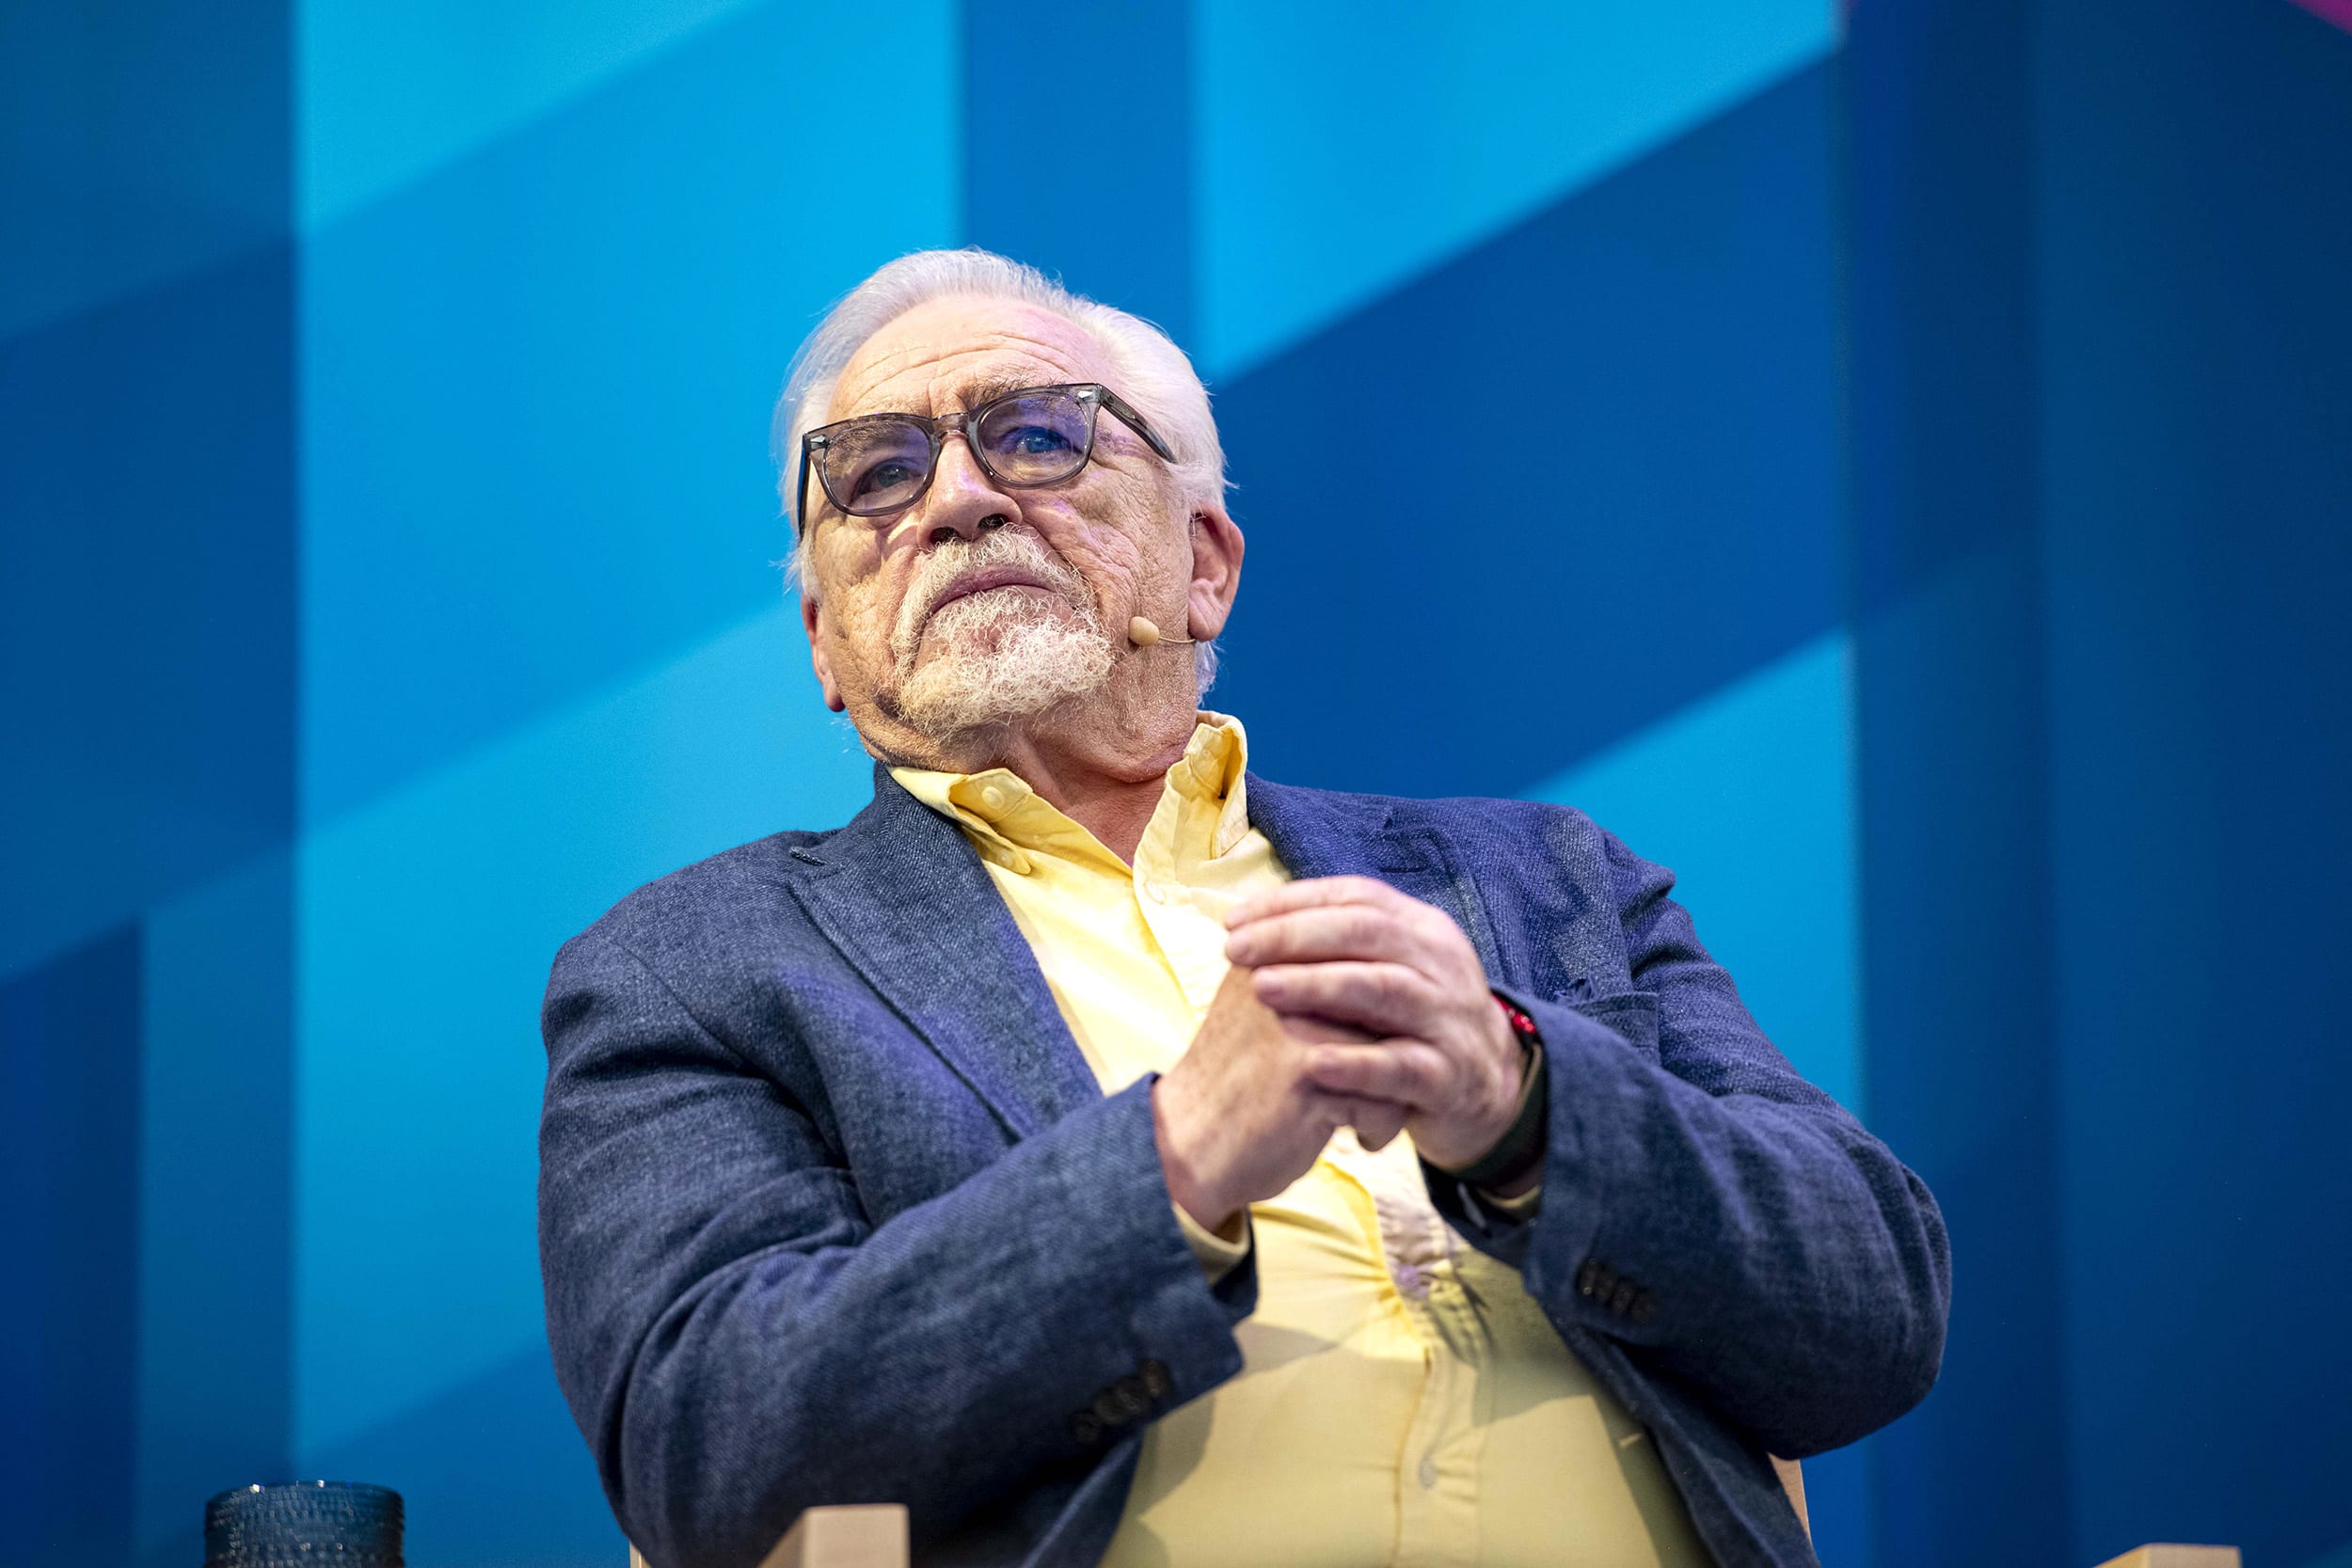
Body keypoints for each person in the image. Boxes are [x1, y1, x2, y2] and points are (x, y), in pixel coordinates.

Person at [538, 249, 1949, 1568]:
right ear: (827, 649)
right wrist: (1175, 1159)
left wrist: (1523, 1109)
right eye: (874, 474)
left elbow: (1872, 1305)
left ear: (1205, 562)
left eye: (1035, 435)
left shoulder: (1543, 880)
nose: (956, 499)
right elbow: (714, 1441)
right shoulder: (701, 968)